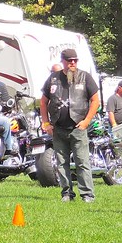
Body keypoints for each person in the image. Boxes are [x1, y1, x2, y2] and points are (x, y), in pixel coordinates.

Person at [40, 48, 101, 203]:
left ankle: (87, 195)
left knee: (82, 162)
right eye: (69, 60)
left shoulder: (85, 77)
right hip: (58, 127)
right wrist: (46, 122)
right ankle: (66, 194)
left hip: (78, 128)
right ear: (63, 61)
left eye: (75, 60)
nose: (72, 63)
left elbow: (95, 100)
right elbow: (43, 102)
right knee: (61, 163)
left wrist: (86, 121)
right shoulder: (53, 78)